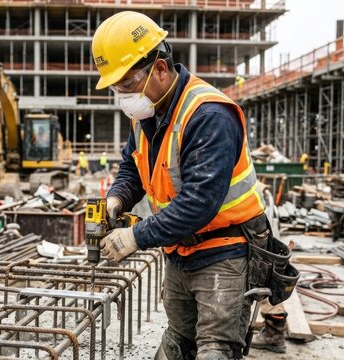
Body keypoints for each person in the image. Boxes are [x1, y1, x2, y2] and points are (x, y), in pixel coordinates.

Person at [93, 12, 271, 359]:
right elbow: (133, 167)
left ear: (160, 68)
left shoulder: (208, 115)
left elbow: (199, 203)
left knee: (215, 349)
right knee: (179, 340)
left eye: (127, 85)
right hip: (179, 252)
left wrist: (135, 236)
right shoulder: (146, 115)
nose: (123, 96)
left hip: (224, 252)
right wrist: (117, 198)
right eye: (116, 88)